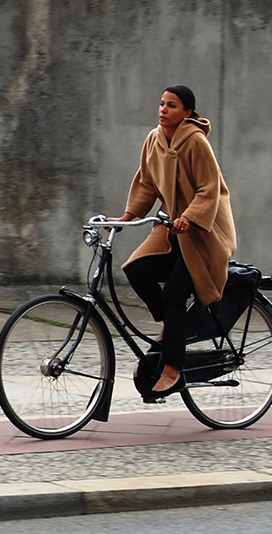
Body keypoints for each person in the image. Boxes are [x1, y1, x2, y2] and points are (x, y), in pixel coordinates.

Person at [107, 85, 236, 401]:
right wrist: (127, 216)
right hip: (173, 231)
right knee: (137, 269)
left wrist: (189, 217)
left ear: (187, 113)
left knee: (175, 294)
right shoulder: (154, 140)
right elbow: (146, 183)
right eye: (162, 103)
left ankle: (172, 371)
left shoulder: (195, 142)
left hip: (204, 235)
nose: (163, 109)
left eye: (172, 105)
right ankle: (171, 326)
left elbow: (210, 189)